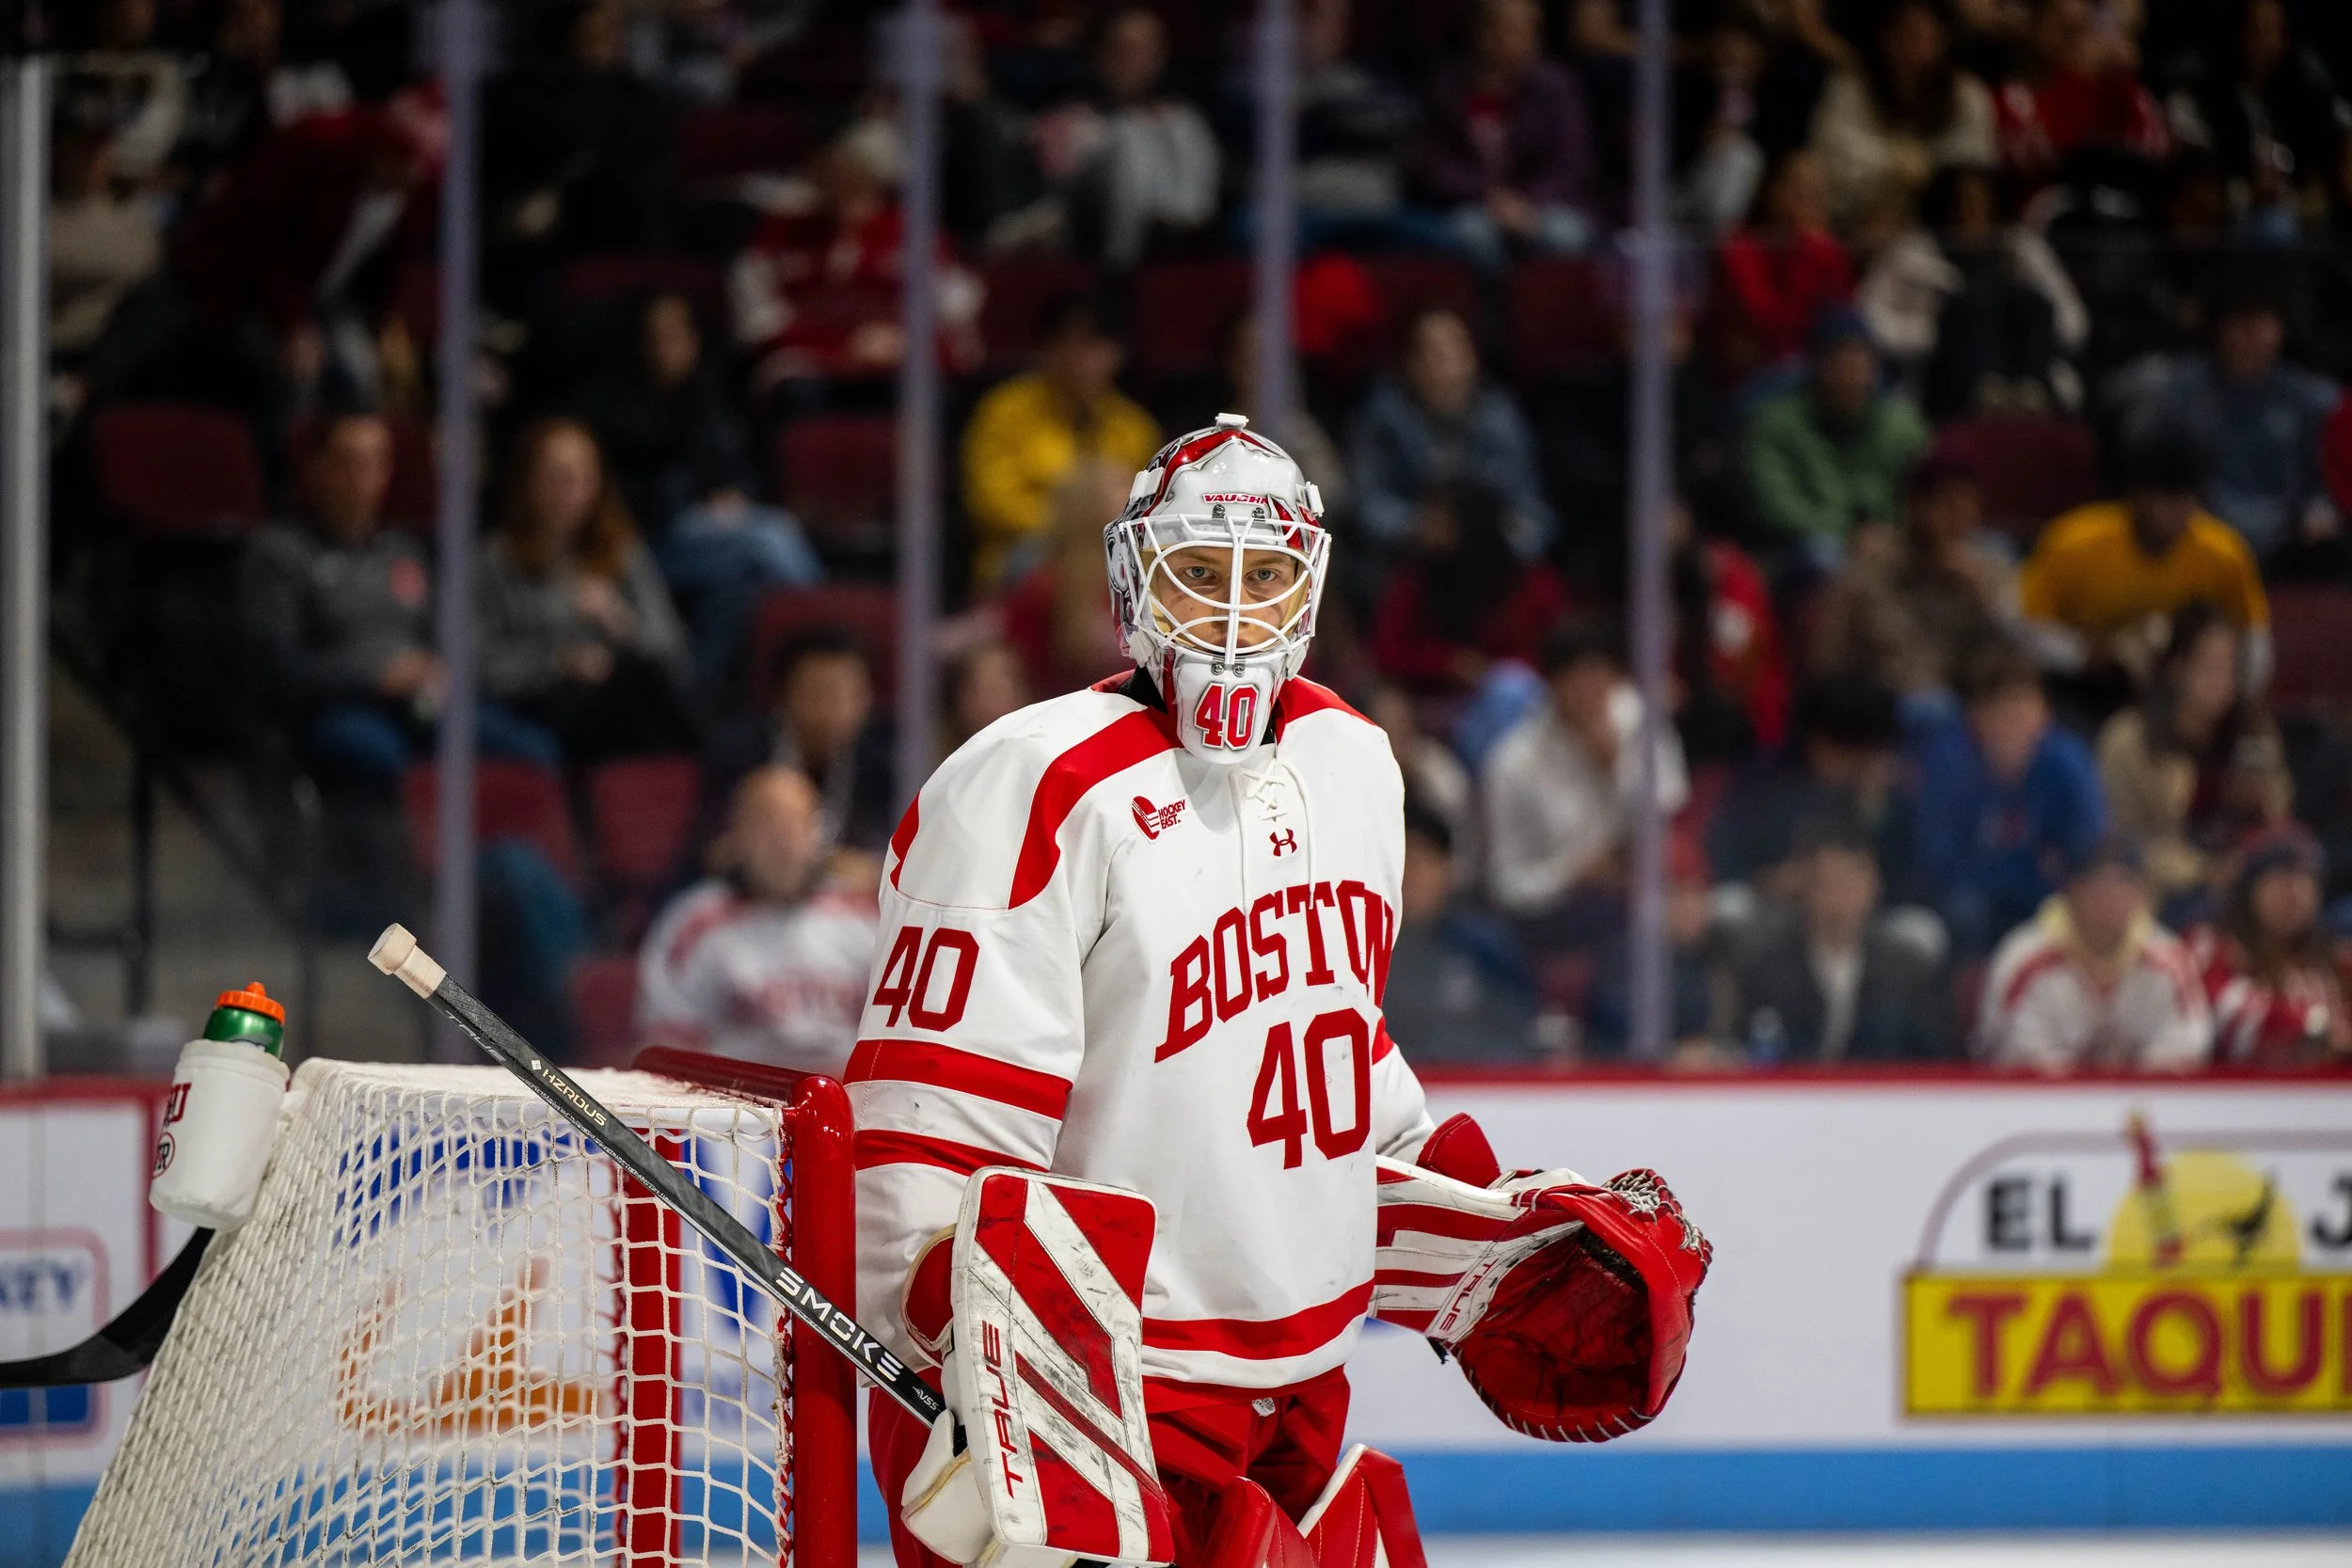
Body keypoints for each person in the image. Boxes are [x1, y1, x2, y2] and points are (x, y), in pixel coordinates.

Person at [856, 412, 1705, 1562]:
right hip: (1095, 1393)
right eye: (1199, 572)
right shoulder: (1030, 783)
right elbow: (928, 1127)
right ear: (1134, 580)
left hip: (1302, 1384)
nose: (1231, 610)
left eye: (1264, 576)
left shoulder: (1351, 762)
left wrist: (1480, 1233)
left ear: (1309, 588)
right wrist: (958, 1356)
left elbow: (1331, 1040)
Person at [243, 412, 551, 790]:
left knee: (534, 752)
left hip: (421, 705)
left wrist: (442, 666)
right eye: (349, 462)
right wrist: (373, 678)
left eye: (375, 462)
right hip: (340, 708)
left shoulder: (404, 551)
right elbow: (280, 670)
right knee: (386, 762)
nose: (363, 478)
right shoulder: (280, 553)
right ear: (318, 468)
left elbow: (446, 636)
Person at [576, 292, 821, 689]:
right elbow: (621, 497)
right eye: (658, 337)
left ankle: (692, 690)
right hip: (644, 540)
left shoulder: (705, 394)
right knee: (770, 535)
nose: (668, 349)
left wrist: (730, 495)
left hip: (700, 537)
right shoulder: (609, 407)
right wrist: (699, 499)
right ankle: (820, 628)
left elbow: (736, 471)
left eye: (679, 335)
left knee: (738, 593)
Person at [478, 419, 698, 768]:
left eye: (582, 479)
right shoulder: (494, 560)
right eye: (557, 478)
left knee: (649, 690)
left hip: (623, 695)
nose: (570, 492)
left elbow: (672, 649)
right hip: (540, 705)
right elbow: (479, 663)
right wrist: (559, 662)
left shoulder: (621, 551)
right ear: (527, 483)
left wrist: (619, 620)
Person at [636, 767, 878, 1074]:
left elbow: (900, 1040)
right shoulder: (694, 922)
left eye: (798, 825)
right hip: (731, 1107)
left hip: (848, 1100)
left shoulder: (867, 917)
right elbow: (666, 1048)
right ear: (737, 835)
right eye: (768, 826)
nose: (784, 843)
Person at [729, 119, 983, 393]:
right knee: (797, 391)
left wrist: (901, 341)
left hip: (897, 357)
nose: (846, 207)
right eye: (837, 192)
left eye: (857, 191)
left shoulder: (913, 234)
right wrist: (841, 345)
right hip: (811, 362)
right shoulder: (782, 234)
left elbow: (956, 309)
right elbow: (757, 320)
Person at [1484, 619, 1691, 952]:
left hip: (1648, 882)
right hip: (1563, 910)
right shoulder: (1513, 765)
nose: (1594, 692)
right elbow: (1507, 885)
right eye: (1580, 680)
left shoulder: (1640, 722)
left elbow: (1670, 811)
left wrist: (1616, 769)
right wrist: (1572, 875)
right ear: (1553, 684)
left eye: (1602, 677)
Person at [2018, 420, 2271, 690]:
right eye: (2164, 499)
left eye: (2185, 499)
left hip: (2180, 691)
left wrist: (2243, 698)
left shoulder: (2224, 552)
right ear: (2136, 496)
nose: (2176, 513)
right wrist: (2088, 654)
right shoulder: (2073, 542)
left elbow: (2253, 639)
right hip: (2083, 684)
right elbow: (2024, 628)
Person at [2095, 603, 2292, 924]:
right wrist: (2203, 870)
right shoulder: (2129, 741)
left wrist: (2261, 801)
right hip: (2172, 890)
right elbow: (2124, 842)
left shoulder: (2256, 732)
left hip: (2252, 878)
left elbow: (2281, 822)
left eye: (2231, 666)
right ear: (2178, 667)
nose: (2222, 679)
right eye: (2209, 665)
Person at [1913, 638, 2107, 959]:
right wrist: (2029, 868)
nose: (2018, 725)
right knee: (1965, 911)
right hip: (1975, 902)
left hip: (2045, 898)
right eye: (2005, 713)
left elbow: (2089, 849)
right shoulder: (1949, 764)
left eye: (2027, 710)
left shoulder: (2067, 763)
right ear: (1978, 718)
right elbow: (1939, 863)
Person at [961, 293, 1160, 589]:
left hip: (1109, 553)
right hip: (1025, 553)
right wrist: (1073, 530)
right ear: (1046, 349)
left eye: (1091, 346)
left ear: (1116, 354)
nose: (1077, 358)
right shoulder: (1004, 411)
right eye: (1066, 343)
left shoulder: (1134, 427)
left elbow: (1148, 511)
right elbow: (990, 503)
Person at [1857, 162, 2088, 417]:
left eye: (1981, 201)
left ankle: (2025, 396)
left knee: (2031, 300)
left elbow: (2071, 320)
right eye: (1964, 202)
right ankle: (1986, 396)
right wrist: (1931, 335)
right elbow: (1870, 318)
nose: (1973, 211)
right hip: (1942, 374)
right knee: (1967, 305)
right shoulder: (1911, 253)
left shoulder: (2024, 250)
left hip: (2025, 370)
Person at [2133, 286, 2339, 562]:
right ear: (2219, 329)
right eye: (2241, 324)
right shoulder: (2177, 393)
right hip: (2200, 537)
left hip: (2291, 541)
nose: (2253, 336)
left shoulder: (2313, 398)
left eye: (2262, 323)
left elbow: (2331, 476)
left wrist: (2323, 507)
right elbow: (2154, 470)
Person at [1730, 813, 1951, 1062]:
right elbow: (1745, 1051)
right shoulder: (1766, 970)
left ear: (1874, 885)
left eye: (1851, 883)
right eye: (1828, 883)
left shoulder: (1907, 970)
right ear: (1806, 887)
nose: (1841, 899)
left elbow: (1936, 1058)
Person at [1979, 836, 2212, 1072]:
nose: (2109, 899)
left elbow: (2186, 1047)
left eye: (2122, 885)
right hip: (2045, 1106)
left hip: (2141, 1107)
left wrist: (2127, 1094)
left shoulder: (2169, 961)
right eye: (2096, 885)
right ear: (2071, 891)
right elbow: (2012, 1055)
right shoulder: (2023, 960)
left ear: (2141, 893)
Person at [1348, 306, 1555, 561]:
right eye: (1434, 353)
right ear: (1409, 363)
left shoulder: (1500, 416)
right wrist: (1418, 526)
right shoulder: (1383, 416)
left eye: (1457, 350)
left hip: (1492, 558)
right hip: (1407, 556)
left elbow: (1532, 510)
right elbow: (1367, 505)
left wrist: (1494, 536)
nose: (1448, 364)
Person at [1406, 0, 1600, 269]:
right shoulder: (1445, 87)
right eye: (1513, 30)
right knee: (1471, 234)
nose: (1526, 42)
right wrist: (1490, 198)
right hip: (1473, 203)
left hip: (1543, 204)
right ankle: (1485, 310)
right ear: (1484, 33)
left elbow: (1571, 164)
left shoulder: (1556, 88)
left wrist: (1528, 203)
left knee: (1564, 234)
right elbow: (1433, 163)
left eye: (1531, 31)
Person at [1812, 446, 2016, 696]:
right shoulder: (1871, 569)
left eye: (1969, 505)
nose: (1959, 518)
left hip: (1971, 709)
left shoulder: (1988, 571)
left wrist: (1979, 594)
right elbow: (1831, 662)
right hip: (1887, 706)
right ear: (1915, 506)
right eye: (1948, 504)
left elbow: (2011, 658)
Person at [1033, 7, 1220, 269]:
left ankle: (1183, 242)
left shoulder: (1184, 119)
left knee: (1182, 126)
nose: (1134, 62)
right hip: (1099, 247)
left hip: (1179, 240)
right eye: (1123, 50)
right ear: (1099, 55)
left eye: (1146, 51)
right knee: (1127, 136)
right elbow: (1056, 194)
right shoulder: (1069, 117)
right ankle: (1127, 267)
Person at [1710, 673, 1917, 903]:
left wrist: (1875, 815)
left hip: (1863, 922)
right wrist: (1768, 881)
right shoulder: (1767, 782)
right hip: (1772, 914)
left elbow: (1913, 884)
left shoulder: (1889, 796)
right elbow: (1725, 857)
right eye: (1843, 751)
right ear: (1816, 743)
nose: (1853, 765)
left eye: (1863, 754)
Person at [1744, 308, 1931, 560]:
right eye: (1839, 365)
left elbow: (1930, 494)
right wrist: (1850, 537)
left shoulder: (1902, 427)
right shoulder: (1776, 426)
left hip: (1893, 541)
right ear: (1815, 367)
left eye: (1860, 366)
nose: (1850, 377)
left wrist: (1895, 535)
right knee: (1823, 553)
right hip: (1804, 551)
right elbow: (1776, 509)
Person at [1807, 0, 1995, 235]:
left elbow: (1972, 157)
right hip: (1861, 218)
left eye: (1926, 35)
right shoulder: (1852, 87)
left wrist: (1923, 169)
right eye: (1907, 33)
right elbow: (1833, 155)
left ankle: (1978, 262)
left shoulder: (1964, 93)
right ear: (1886, 38)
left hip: (1941, 219)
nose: (1917, 45)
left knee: (1970, 190)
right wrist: (1897, 165)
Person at [708, 627, 897, 856]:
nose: (830, 711)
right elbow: (711, 848)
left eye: (844, 696)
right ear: (783, 695)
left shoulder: (888, 759)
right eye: (817, 695)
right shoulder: (740, 752)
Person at [1379, 799, 1539, 1064]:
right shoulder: (1362, 953)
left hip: (1479, 1090)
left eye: (1424, 862)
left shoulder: (1483, 947)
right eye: (1404, 861)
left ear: (1448, 868)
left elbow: (1519, 1029)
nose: (1413, 876)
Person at [1369, 480, 1568, 692]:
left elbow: (1556, 651)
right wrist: (1447, 662)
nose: (1425, 528)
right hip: (1430, 697)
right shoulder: (1414, 579)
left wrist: (1490, 669)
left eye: (1439, 520)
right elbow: (1387, 651)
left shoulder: (1530, 583)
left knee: (1511, 685)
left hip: (1517, 699)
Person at [2187, 828, 2352, 1067]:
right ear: (2249, 889)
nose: (2295, 893)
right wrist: (2317, 1032)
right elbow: (2233, 1018)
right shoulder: (2209, 946)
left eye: (2307, 879)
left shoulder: (2335, 962)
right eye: (2281, 878)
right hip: (2238, 1098)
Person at [1993, 0, 2170, 195]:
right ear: (2034, 26)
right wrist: (2076, 81)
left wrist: (2115, 84)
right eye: (2065, 32)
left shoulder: (2126, 93)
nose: (2075, 45)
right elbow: (2055, 159)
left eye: (2082, 32)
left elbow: (2156, 154)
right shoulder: (2013, 99)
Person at [1712, 148, 1854, 381]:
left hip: (1815, 375)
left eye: (1817, 192)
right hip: (1752, 376)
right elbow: (1768, 324)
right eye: (1799, 188)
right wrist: (1808, 251)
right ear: (1773, 189)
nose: (1809, 199)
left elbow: (1843, 319)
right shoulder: (1739, 249)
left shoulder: (1825, 249)